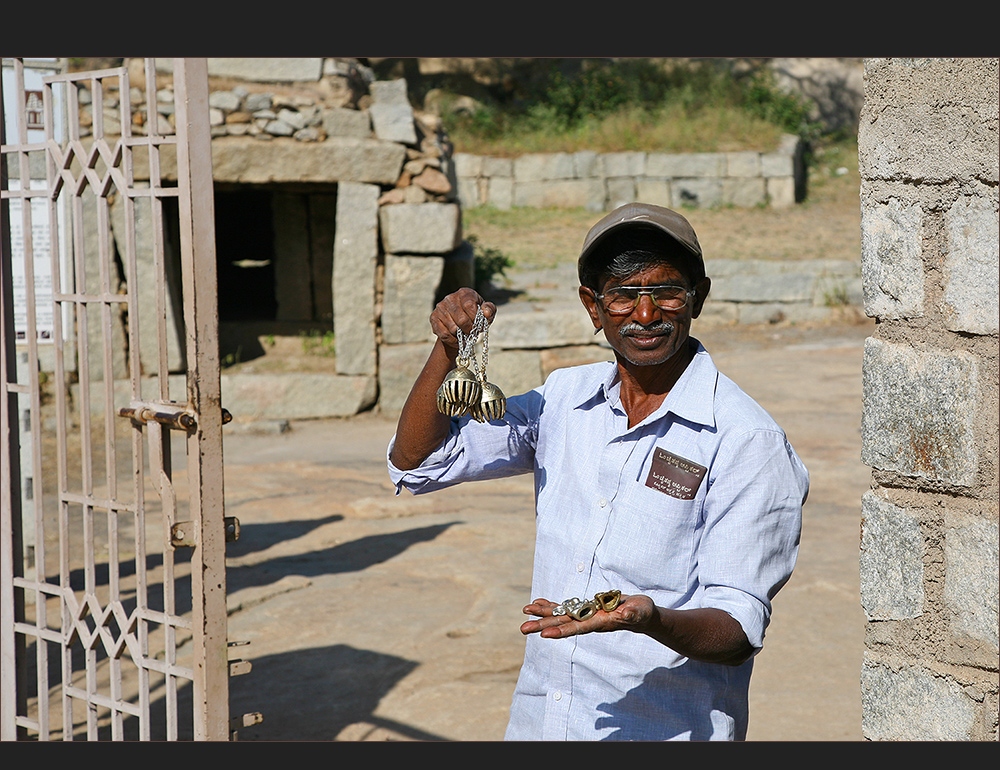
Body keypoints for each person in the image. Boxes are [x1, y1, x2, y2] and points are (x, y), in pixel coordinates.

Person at [387, 201, 809, 741]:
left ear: (698, 297)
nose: (646, 314)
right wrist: (449, 350)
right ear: (593, 306)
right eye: (623, 295)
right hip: (544, 723)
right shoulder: (566, 399)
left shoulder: (747, 440)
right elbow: (418, 462)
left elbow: (735, 629)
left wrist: (649, 619)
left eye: (667, 292)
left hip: (663, 729)